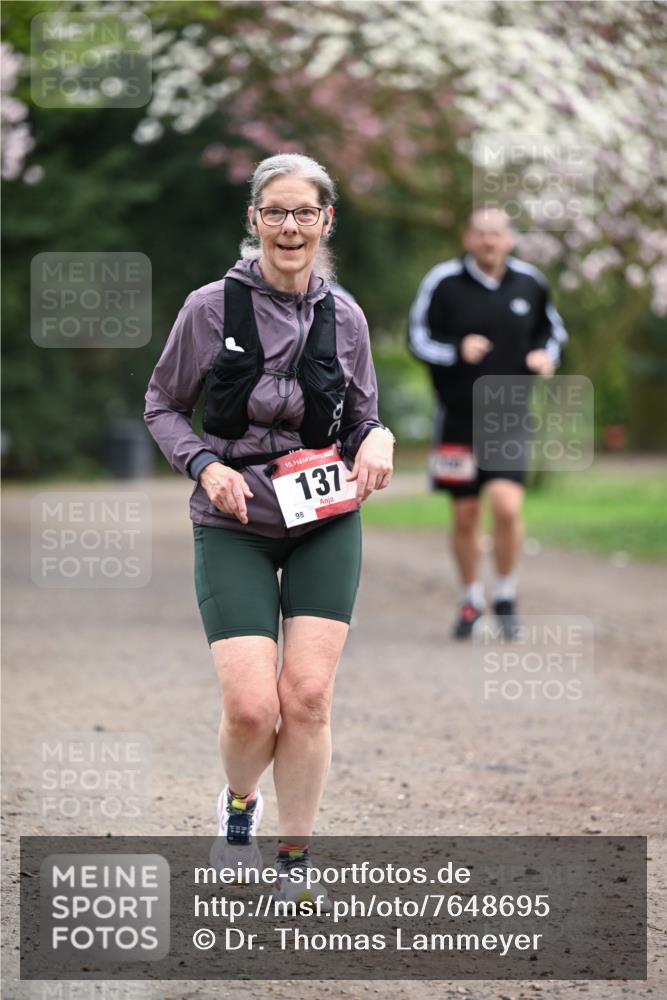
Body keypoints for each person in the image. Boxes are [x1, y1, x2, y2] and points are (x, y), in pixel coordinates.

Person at [144, 153, 394, 905]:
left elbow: (363, 417)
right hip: (235, 519)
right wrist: (203, 466)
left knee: (308, 697)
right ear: (254, 219)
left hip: (322, 518)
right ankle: (238, 809)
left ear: (325, 222)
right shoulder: (209, 308)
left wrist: (377, 441)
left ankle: (293, 857)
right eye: (276, 212)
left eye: (304, 213)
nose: (290, 227)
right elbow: (162, 405)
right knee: (253, 708)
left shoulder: (345, 316)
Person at [408, 206, 567, 639]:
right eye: (480, 233)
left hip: (509, 415)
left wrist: (546, 356)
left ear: (509, 239)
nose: (488, 241)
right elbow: (417, 337)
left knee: (506, 506)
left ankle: (506, 594)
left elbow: (553, 332)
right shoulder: (443, 281)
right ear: (467, 238)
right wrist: (456, 349)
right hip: (457, 419)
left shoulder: (530, 282)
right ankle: (470, 600)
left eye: (496, 233)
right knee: (465, 515)